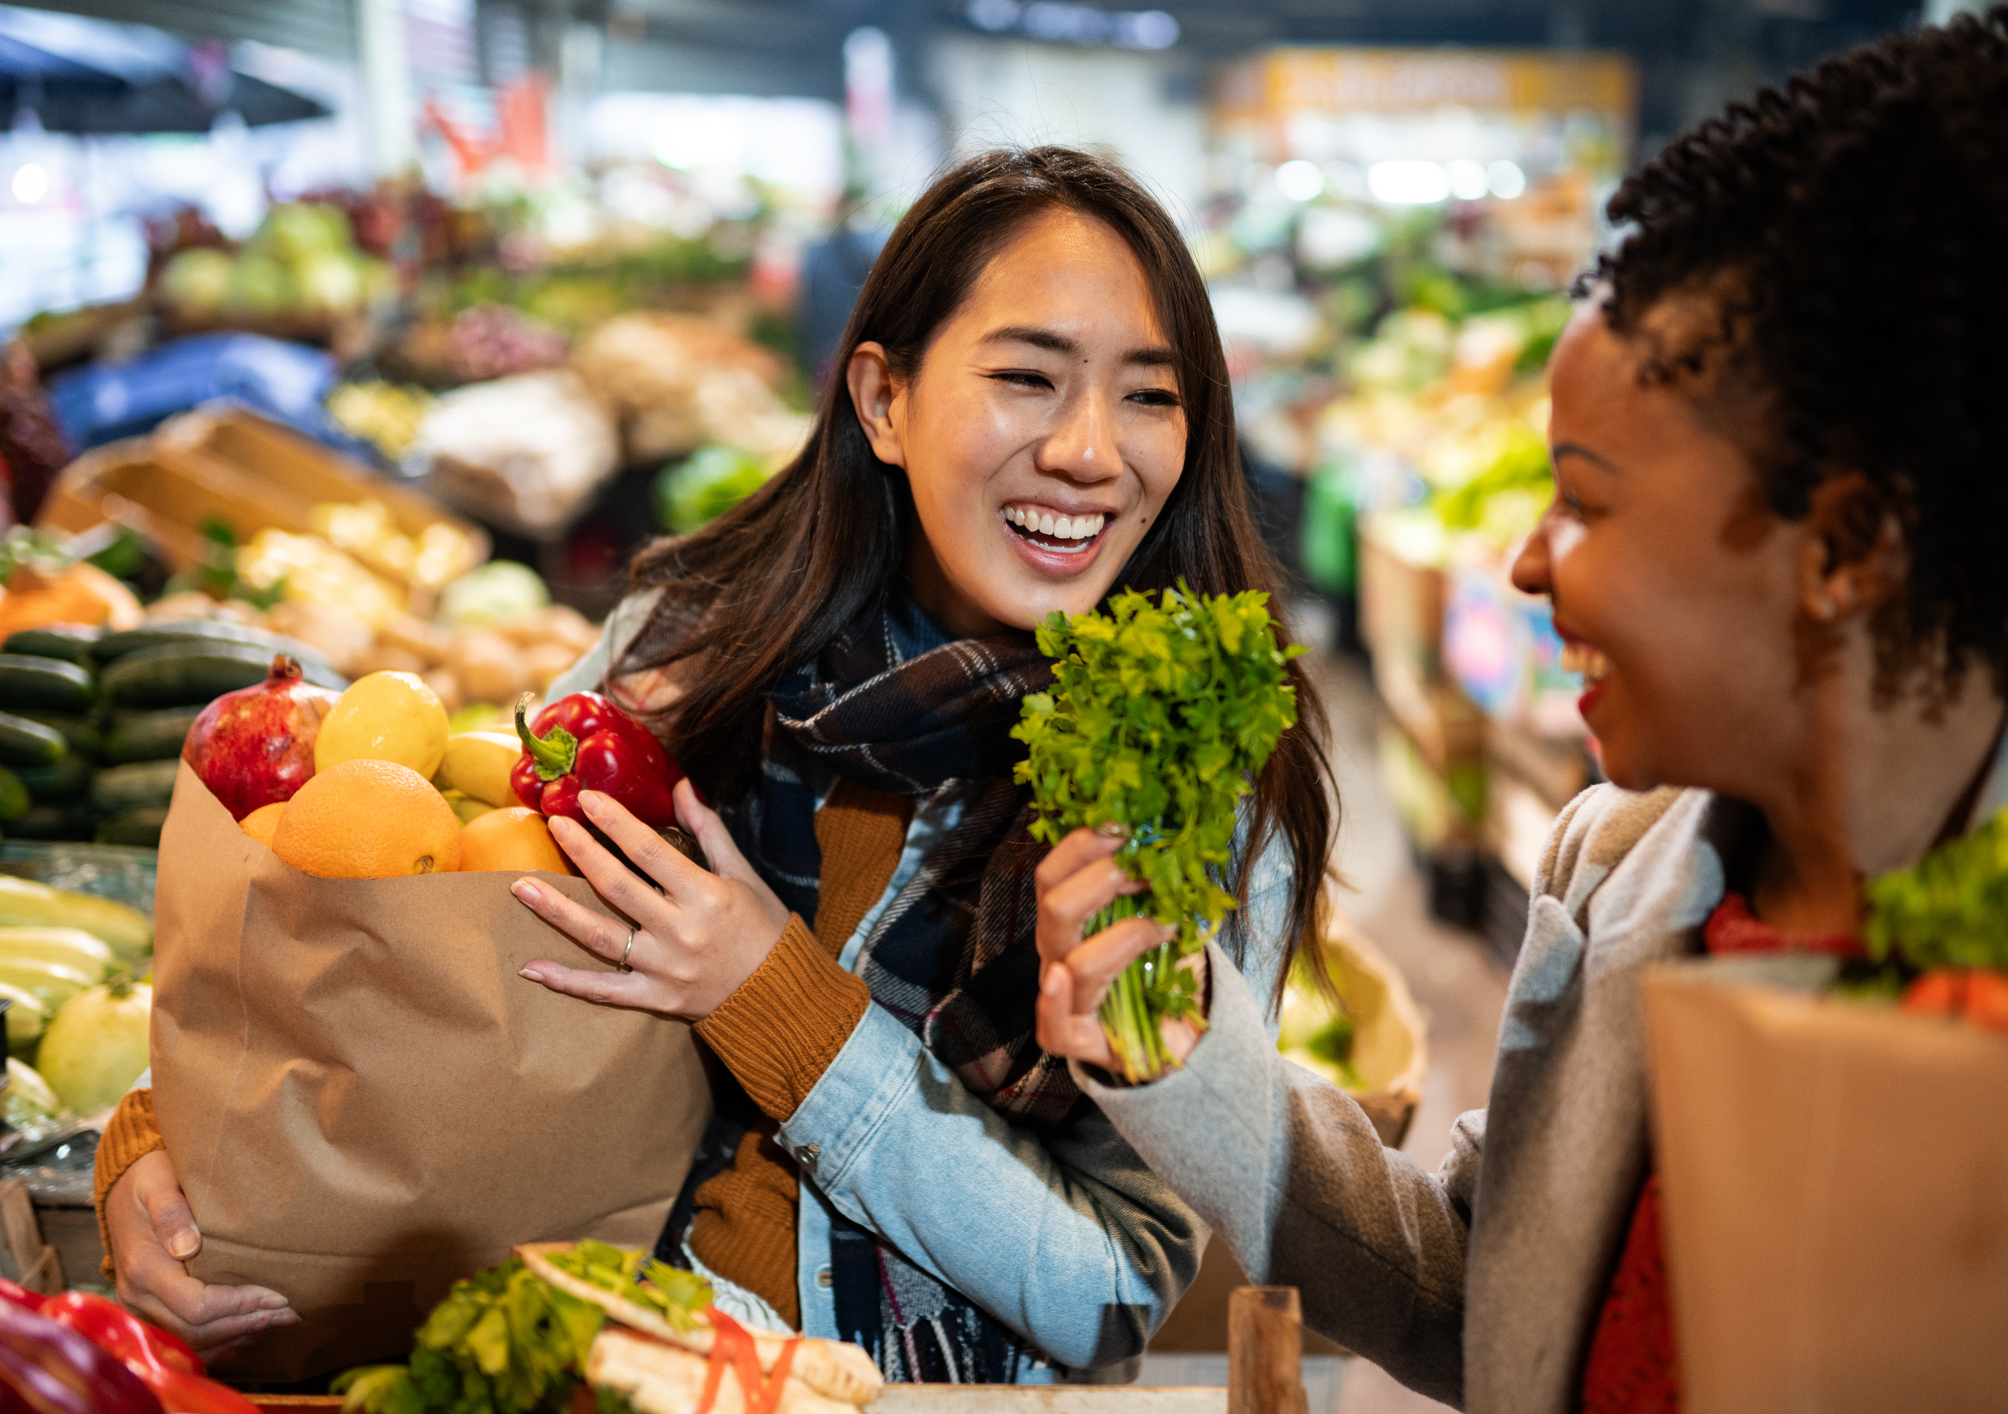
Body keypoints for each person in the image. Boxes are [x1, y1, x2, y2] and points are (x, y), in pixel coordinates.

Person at [93, 146, 1336, 1383]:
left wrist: (775, 999)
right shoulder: (688, 645)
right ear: (882, 400)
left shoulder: (1194, 776)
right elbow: (432, 929)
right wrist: (160, 1136)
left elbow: (1113, 1285)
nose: (1088, 451)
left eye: (1150, 396)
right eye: (1027, 377)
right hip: (593, 1358)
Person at [1033, 10, 2008, 1412]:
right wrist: (1184, 1058)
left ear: (1844, 548)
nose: (1527, 560)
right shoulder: (1615, 870)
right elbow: (1486, 1297)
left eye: (1585, 499)